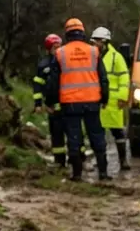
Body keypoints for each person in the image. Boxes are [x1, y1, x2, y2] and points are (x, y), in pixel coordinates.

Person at [47, 18, 111, 181]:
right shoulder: (94, 52)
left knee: (74, 138)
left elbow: (53, 81)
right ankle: (103, 173)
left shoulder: (60, 53)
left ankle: (77, 174)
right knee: (97, 136)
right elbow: (103, 78)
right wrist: (104, 98)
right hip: (92, 102)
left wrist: (51, 102)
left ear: (67, 33)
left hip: (70, 103)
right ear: (82, 33)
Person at [91, 26, 132, 173]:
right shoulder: (93, 56)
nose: (94, 44)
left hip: (114, 102)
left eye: (96, 41)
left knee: (118, 133)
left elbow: (124, 77)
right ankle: (101, 161)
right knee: (98, 133)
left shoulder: (116, 57)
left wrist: (122, 96)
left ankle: (123, 161)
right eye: (94, 41)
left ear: (104, 41)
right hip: (97, 100)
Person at [32, 33, 67, 168]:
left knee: (74, 133)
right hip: (53, 107)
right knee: (56, 135)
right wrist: (38, 104)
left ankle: (78, 159)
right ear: (48, 49)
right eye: (55, 47)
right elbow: (37, 85)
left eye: (59, 47)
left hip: (68, 105)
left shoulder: (66, 63)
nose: (57, 50)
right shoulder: (43, 65)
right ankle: (59, 161)